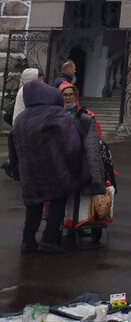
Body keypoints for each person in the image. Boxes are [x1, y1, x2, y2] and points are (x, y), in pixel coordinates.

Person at [9, 79, 83, 253]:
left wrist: (16, 170)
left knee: (34, 203)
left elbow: (13, 147)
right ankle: (49, 240)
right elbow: (71, 144)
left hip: (29, 171)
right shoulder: (55, 113)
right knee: (58, 199)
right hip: (53, 169)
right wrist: (75, 166)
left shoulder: (21, 118)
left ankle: (28, 241)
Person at [59, 82, 108, 243]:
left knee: (81, 198)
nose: (67, 98)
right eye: (64, 95)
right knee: (62, 199)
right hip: (61, 162)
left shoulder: (85, 116)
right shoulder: (56, 115)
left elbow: (94, 139)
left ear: (75, 96)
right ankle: (64, 226)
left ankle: (78, 225)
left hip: (81, 163)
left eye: (70, 95)